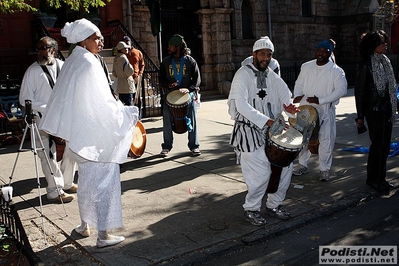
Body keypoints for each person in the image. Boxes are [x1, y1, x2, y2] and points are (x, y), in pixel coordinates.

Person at [39, 18, 139, 248]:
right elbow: (101, 103)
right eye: (96, 36)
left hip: (80, 137)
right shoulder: (88, 62)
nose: (101, 39)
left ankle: (85, 225)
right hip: (94, 139)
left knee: (86, 182)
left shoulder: (74, 59)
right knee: (104, 183)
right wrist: (126, 114)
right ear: (83, 39)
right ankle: (103, 236)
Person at [228, 36, 300, 225]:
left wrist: (288, 108)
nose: (265, 58)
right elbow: (241, 105)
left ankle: (274, 204)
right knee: (260, 173)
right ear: (254, 54)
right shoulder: (242, 74)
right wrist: (266, 121)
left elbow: (286, 96)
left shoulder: (273, 76)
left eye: (269, 54)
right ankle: (251, 209)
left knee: (285, 167)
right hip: (248, 131)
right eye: (262, 54)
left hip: (272, 130)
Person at [19, 36, 77, 203]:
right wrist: (46, 108)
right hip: (43, 120)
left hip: (64, 118)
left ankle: (67, 182)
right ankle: (54, 191)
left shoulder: (63, 66)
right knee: (48, 155)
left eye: (43, 48)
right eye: (38, 49)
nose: (39, 52)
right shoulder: (32, 72)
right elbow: (25, 99)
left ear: (53, 50)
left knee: (70, 150)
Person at [292, 40, 348, 181]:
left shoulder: (336, 71)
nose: (321, 53)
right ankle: (302, 165)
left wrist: (321, 100)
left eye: (325, 51)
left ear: (330, 53)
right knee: (303, 140)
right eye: (319, 50)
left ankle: (324, 169)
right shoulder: (306, 66)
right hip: (305, 110)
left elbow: (342, 89)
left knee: (325, 140)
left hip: (324, 110)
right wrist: (297, 95)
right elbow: (299, 83)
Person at [355, 30, 397, 192]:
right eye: (381, 42)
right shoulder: (366, 64)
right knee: (377, 146)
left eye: (385, 41)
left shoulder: (385, 61)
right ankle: (372, 178)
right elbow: (359, 92)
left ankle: (381, 177)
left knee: (385, 146)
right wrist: (360, 116)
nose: (385, 44)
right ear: (373, 45)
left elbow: (390, 88)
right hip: (373, 110)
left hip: (387, 109)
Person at [159, 34, 201, 157]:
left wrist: (189, 89)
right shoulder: (166, 62)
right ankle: (166, 146)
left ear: (177, 47)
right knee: (167, 121)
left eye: (170, 46)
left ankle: (194, 146)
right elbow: (161, 78)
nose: (168, 47)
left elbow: (197, 78)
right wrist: (167, 84)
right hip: (169, 97)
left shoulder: (190, 61)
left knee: (192, 121)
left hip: (187, 97)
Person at [113, 41, 135, 106]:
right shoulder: (124, 58)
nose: (127, 49)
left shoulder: (115, 59)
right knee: (128, 105)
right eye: (125, 48)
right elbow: (129, 71)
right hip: (127, 85)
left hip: (120, 86)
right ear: (122, 49)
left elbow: (114, 73)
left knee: (122, 105)